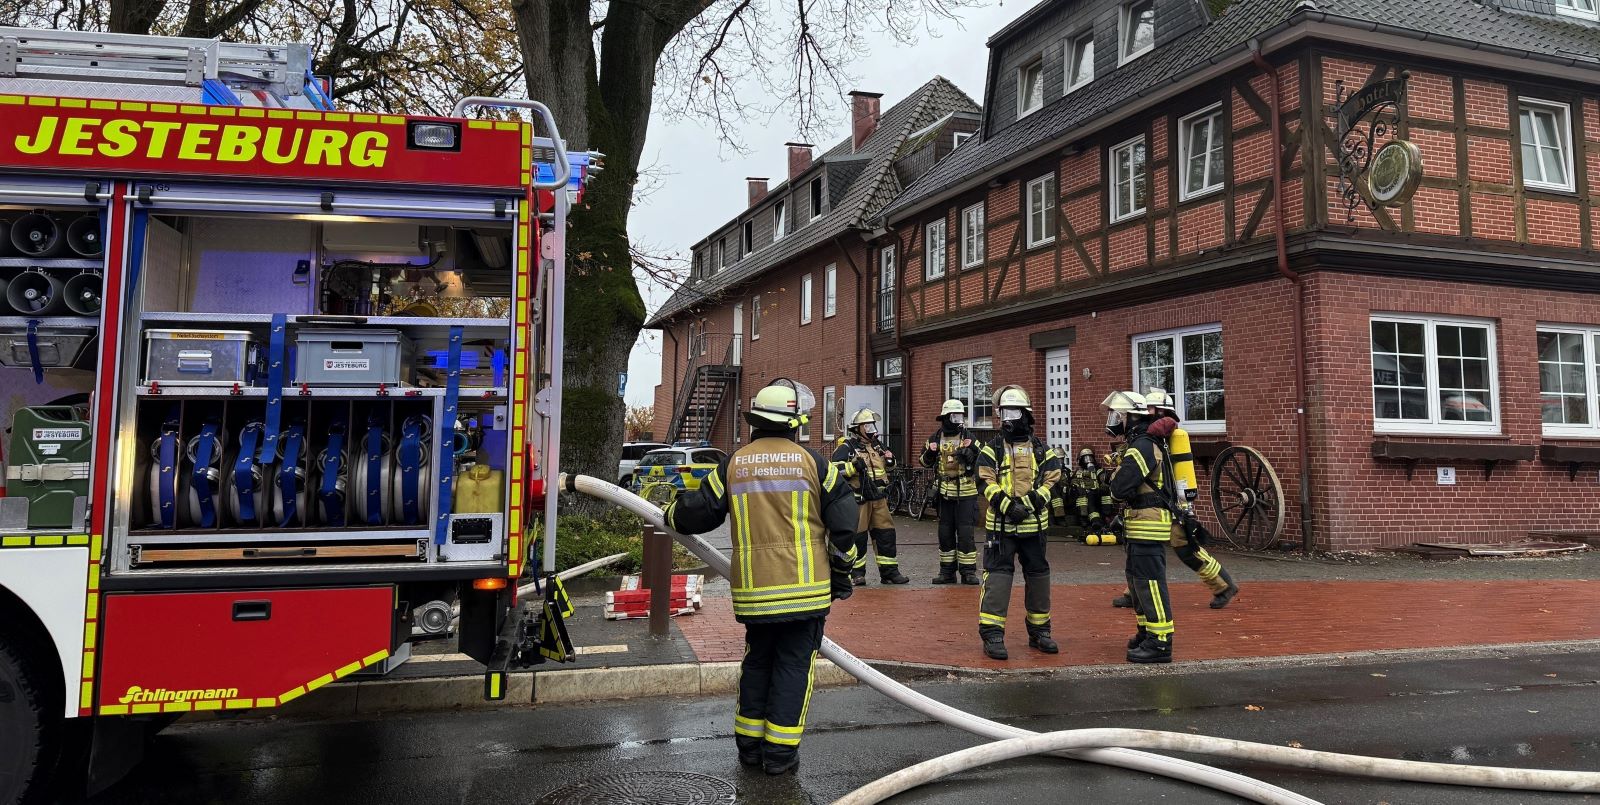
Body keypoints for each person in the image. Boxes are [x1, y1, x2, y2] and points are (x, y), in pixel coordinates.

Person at [665, 380, 859, 775]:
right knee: (792, 669)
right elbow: (843, 527)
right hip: (805, 594)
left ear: (754, 421)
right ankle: (780, 757)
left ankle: (750, 751)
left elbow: (697, 513)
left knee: (757, 665)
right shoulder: (816, 464)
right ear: (796, 423)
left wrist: (669, 514)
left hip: (755, 595)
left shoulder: (734, 464)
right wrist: (842, 573)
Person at [1111, 389, 1240, 609]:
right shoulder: (1153, 433)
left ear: (1160, 410)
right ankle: (1134, 592)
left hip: (1169, 501)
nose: (1146, 413)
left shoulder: (1165, 432)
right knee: (1139, 548)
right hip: (1164, 499)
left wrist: (1185, 507)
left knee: (1184, 546)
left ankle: (1223, 585)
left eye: (1150, 408)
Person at [976, 385, 1063, 660]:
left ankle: (1040, 632)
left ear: (1026, 415)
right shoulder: (992, 449)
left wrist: (1031, 502)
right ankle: (992, 635)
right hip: (1001, 529)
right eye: (1004, 413)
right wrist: (1006, 505)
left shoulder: (1041, 449)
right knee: (998, 579)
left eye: (1013, 412)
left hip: (1034, 528)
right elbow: (984, 480)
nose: (1008, 419)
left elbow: (1054, 478)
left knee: (1038, 578)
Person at [1104, 390, 1175, 664]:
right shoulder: (1142, 443)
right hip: (1140, 525)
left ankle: (1160, 643)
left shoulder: (1142, 446)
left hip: (1148, 525)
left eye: (1118, 416)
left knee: (1151, 585)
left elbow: (1120, 487)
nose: (1114, 421)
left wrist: (1114, 480)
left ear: (1131, 417)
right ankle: (1147, 633)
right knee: (1138, 584)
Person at [833, 407, 909, 585]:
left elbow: (887, 468)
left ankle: (890, 572)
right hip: (859, 501)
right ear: (857, 429)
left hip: (880, 499)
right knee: (858, 537)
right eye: (867, 427)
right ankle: (856, 574)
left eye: (872, 426)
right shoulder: (847, 447)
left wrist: (891, 461)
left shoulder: (878, 445)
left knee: (886, 534)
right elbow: (834, 469)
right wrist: (853, 467)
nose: (871, 430)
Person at [919, 399, 981, 585]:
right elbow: (923, 461)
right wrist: (930, 453)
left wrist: (971, 456)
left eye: (960, 416)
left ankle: (968, 572)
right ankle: (947, 572)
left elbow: (984, 458)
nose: (958, 420)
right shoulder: (935, 438)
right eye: (954, 416)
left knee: (965, 533)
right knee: (945, 533)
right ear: (945, 418)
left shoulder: (969, 437)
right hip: (944, 493)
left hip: (966, 493)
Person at [1071, 447, 1114, 544]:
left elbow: (1103, 478)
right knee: (1088, 500)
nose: (1088, 460)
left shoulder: (1097, 470)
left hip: (1097, 493)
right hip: (1085, 495)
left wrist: (1104, 483)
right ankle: (1093, 521)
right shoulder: (1077, 472)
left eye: (1090, 457)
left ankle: (1107, 515)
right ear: (1080, 459)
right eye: (1085, 458)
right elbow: (1072, 484)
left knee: (1105, 492)